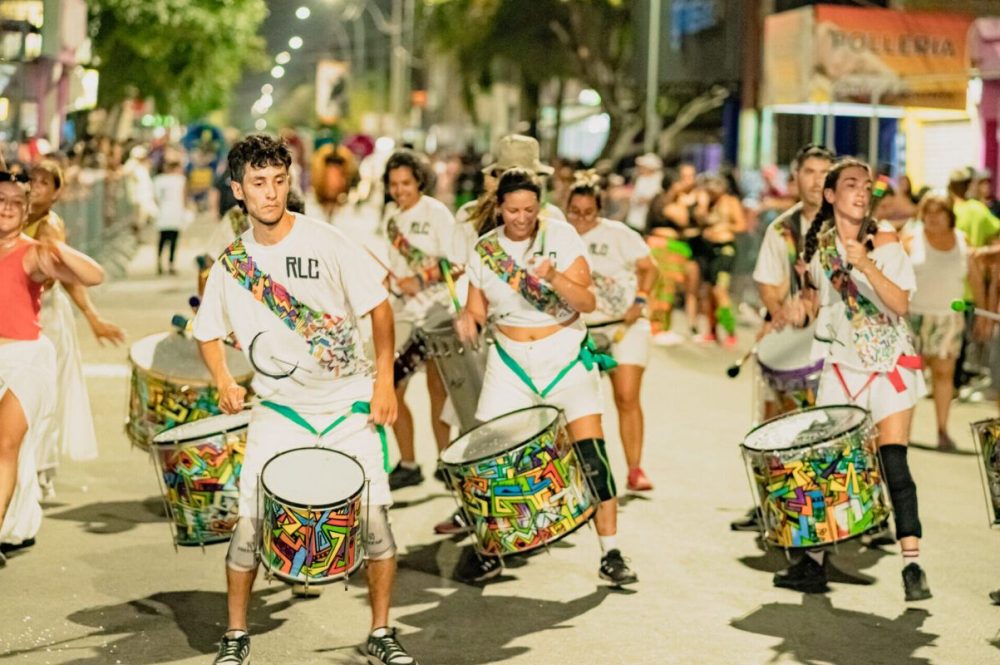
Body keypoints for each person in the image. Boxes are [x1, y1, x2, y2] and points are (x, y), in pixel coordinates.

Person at [192, 135, 416, 665]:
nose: (270, 194)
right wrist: (223, 377)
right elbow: (206, 331)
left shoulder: (328, 241)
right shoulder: (231, 265)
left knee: (376, 521)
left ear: (288, 182)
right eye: (258, 184)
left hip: (346, 405)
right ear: (237, 190)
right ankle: (236, 633)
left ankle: (381, 631)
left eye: (278, 181)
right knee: (249, 525)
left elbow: (379, 310)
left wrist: (384, 381)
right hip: (280, 410)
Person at [453, 168, 638, 585]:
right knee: (491, 460)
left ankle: (611, 553)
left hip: (564, 356)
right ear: (499, 208)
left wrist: (552, 276)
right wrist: (468, 321)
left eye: (530, 210)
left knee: (592, 456)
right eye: (513, 210)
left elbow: (587, 301)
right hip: (511, 361)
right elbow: (477, 308)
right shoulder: (485, 249)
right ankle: (492, 548)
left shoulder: (562, 236)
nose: (521, 218)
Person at [777, 158, 931, 601]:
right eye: (850, 185)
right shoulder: (820, 246)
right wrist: (797, 308)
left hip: (889, 366)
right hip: (842, 368)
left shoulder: (883, 239)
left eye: (867, 185)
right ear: (830, 195)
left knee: (894, 463)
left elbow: (899, 304)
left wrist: (866, 264)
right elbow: (819, 302)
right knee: (829, 464)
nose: (862, 192)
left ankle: (912, 564)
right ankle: (815, 561)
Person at [0, 170, 104, 565]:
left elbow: (94, 275)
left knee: (5, 446)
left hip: (25, 360)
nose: (7, 208)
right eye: (0, 200)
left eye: (15, 202)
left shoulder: (34, 252)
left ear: (26, 210)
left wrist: (57, 249)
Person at [731, 144, 833, 532]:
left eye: (826, 172)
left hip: (837, 348)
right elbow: (768, 285)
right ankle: (771, 504)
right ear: (796, 177)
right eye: (809, 171)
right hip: (793, 346)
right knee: (773, 422)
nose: (817, 180)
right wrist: (780, 310)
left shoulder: (848, 225)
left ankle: (852, 509)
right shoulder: (782, 229)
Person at [23, 161, 125, 497]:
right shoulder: (14, 216)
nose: (36, 186)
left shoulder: (49, 227)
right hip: (19, 315)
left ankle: (39, 471)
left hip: (46, 315)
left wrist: (92, 316)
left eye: (44, 182)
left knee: (44, 393)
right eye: (31, 180)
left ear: (57, 192)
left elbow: (69, 279)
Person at [566, 178, 657, 491]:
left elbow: (649, 267)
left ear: (599, 211)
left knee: (627, 396)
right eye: (574, 213)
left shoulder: (619, 235)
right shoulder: (559, 236)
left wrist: (641, 298)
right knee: (577, 403)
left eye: (588, 213)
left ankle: (635, 469)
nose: (581, 220)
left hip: (624, 325)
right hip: (582, 329)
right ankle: (576, 471)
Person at [379, 149, 462, 490]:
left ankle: (447, 461)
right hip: (405, 316)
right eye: (394, 184)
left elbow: (457, 263)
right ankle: (409, 462)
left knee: (437, 392)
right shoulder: (391, 219)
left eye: (406, 183)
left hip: (438, 314)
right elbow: (396, 268)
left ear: (419, 182)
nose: (400, 190)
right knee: (392, 387)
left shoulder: (437, 212)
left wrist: (423, 279)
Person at [902, 192, 967, 451]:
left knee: (944, 374)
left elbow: (972, 275)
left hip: (948, 318)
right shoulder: (911, 239)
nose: (932, 218)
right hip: (913, 317)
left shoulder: (961, 240)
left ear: (949, 215)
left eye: (939, 212)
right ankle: (902, 432)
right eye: (928, 212)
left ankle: (942, 430)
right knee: (909, 375)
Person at [691, 173, 746, 346]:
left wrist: (724, 226)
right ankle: (712, 331)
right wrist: (702, 205)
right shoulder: (707, 203)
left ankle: (730, 331)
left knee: (719, 290)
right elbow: (698, 220)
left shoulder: (730, 202)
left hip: (725, 249)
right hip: (708, 249)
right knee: (707, 291)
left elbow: (741, 224)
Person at [153, 159, 190, 275]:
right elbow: (184, 196)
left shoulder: (158, 180)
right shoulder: (180, 180)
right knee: (173, 239)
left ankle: (159, 262)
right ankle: (171, 263)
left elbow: (156, 197)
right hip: (175, 212)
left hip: (163, 212)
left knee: (162, 239)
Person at [626, 153, 663, 232]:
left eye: (643, 166)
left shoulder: (657, 180)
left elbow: (651, 199)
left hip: (644, 222)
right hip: (633, 219)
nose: (640, 168)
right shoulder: (641, 179)